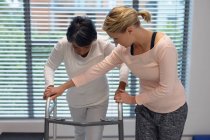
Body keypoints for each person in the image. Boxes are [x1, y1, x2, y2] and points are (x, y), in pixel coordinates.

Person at [44, 6, 188, 140]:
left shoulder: (164, 47)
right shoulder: (123, 49)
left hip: (171, 110)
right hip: (146, 108)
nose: (115, 42)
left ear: (130, 30)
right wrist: (62, 87)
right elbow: (96, 70)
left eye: (116, 38)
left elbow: (166, 88)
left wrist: (132, 99)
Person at [43, 16, 129, 140]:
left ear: (92, 40)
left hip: (98, 99)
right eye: (76, 47)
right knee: (79, 134)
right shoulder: (63, 44)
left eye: (86, 47)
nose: (81, 51)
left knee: (94, 137)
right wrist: (49, 85)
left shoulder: (102, 44)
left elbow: (123, 63)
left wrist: (121, 87)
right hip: (75, 99)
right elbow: (50, 66)